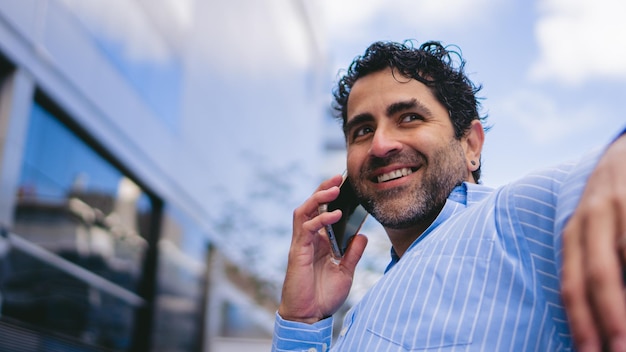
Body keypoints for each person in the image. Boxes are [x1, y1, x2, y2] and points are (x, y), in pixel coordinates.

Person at [272, 40, 626, 351]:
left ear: (471, 144)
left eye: (409, 117)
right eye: (363, 130)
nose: (379, 145)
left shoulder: (514, 217)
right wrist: (304, 321)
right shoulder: (363, 306)